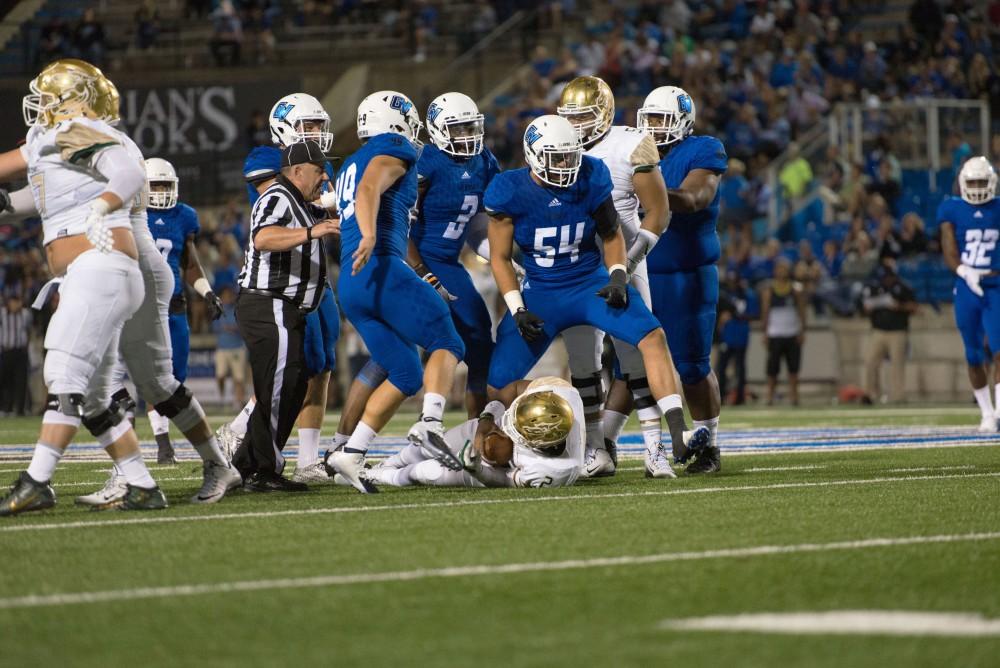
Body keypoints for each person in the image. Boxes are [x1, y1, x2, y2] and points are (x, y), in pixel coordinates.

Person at [53, 71, 240, 509]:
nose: (54, 112)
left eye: (62, 102)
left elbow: (111, 196)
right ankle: (192, 467)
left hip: (131, 269)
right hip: (118, 267)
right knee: (146, 382)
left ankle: (134, 475)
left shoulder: (111, 147)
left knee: (108, 380)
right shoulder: (77, 146)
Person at [484, 114, 708, 480]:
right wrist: (517, 308)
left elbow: (610, 234)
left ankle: (678, 432)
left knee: (652, 337)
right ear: (533, 156)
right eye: (557, 157)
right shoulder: (509, 190)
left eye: (571, 155)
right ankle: (521, 439)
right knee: (497, 384)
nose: (567, 164)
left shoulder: (591, 175)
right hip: (541, 293)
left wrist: (619, 276)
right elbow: (499, 257)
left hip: (589, 284)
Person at [0, 60, 162, 515]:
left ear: (75, 101)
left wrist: (101, 209)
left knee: (62, 375)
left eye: (49, 99)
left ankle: (36, 482)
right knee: (92, 396)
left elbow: (128, 175)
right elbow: (27, 185)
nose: (41, 108)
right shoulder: (57, 142)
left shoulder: (79, 130)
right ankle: (142, 485)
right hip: (91, 274)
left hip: (100, 267)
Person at [326, 90, 466, 494]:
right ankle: (431, 424)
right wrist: (370, 235)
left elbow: (361, 197)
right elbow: (370, 189)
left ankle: (351, 452)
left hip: (354, 285)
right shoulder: (395, 146)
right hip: (381, 265)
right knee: (447, 341)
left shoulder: (349, 162)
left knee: (405, 372)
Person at [217, 92, 348, 484]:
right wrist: (327, 205)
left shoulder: (313, 168)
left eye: (319, 127)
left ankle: (306, 460)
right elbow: (283, 204)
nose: (316, 134)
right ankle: (241, 432)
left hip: (313, 280)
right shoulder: (268, 162)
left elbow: (324, 202)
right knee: (288, 369)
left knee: (320, 365)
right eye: (308, 127)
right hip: (279, 283)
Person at [555, 75, 671, 478]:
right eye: (569, 118)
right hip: (576, 268)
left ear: (603, 113)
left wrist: (630, 265)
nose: (576, 126)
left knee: (635, 360)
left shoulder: (630, 143)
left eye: (584, 116)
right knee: (583, 362)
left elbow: (659, 211)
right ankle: (596, 449)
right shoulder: (555, 141)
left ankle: (655, 450)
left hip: (625, 262)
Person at [235, 139, 339, 491]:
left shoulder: (298, 202)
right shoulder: (278, 196)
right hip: (268, 303)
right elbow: (263, 238)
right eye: (318, 170)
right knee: (280, 385)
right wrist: (312, 231)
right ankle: (261, 469)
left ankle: (247, 463)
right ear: (296, 171)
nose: (323, 177)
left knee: (292, 385)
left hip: (285, 307)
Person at [637, 85, 728, 473]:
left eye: (662, 119)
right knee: (631, 368)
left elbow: (694, 199)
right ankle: (618, 444)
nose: (655, 127)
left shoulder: (704, 150)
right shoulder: (634, 149)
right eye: (650, 119)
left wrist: (647, 189)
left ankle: (709, 444)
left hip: (686, 272)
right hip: (640, 268)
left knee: (691, 365)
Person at [407, 92, 501, 417]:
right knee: (398, 351)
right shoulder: (425, 163)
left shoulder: (485, 162)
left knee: (479, 340)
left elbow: (476, 229)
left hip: (450, 263)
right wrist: (417, 268)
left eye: (470, 127)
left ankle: (477, 430)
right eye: (458, 128)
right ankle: (350, 439)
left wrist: (502, 258)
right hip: (415, 260)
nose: (466, 135)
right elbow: (399, 226)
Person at [143, 157, 224, 463]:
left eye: (166, 185)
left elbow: (189, 263)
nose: (162, 192)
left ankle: (182, 442)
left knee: (176, 377)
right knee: (154, 376)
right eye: (156, 185)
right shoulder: (132, 213)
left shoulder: (184, 216)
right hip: (144, 306)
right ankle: (163, 444)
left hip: (176, 304)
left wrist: (207, 292)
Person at [366, 377, 585, 489]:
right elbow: (517, 388)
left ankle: (378, 476)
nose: (507, 426)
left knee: (427, 472)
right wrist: (487, 419)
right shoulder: (558, 392)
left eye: (514, 427)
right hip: (511, 431)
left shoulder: (553, 471)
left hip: (508, 461)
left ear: (535, 443)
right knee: (433, 445)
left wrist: (478, 470)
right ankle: (389, 462)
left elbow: (504, 480)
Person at [938, 156, 1000, 432]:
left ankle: (999, 411)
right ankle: (986, 413)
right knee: (974, 354)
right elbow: (949, 247)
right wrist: (964, 271)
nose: (976, 187)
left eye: (981, 182)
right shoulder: (952, 209)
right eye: (972, 181)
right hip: (967, 285)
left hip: (996, 284)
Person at [862, 263, 918, 405]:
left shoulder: (903, 288)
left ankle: (898, 396)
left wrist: (899, 306)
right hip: (878, 331)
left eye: (888, 276)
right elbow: (864, 307)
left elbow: (915, 307)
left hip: (897, 331)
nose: (886, 280)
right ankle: (869, 395)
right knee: (870, 362)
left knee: (897, 365)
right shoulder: (874, 288)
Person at [760, 258, 807, 406]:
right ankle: (769, 396)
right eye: (780, 268)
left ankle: (794, 397)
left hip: (792, 333)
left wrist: (802, 331)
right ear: (775, 271)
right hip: (775, 334)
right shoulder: (769, 291)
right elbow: (765, 313)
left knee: (793, 369)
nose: (782, 272)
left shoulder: (796, 290)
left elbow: (801, 312)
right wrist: (765, 332)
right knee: (772, 369)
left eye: (785, 268)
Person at [716, 270, 757, 406]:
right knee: (721, 368)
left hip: (740, 335)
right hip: (727, 336)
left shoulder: (747, 294)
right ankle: (721, 396)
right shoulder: (724, 295)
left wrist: (733, 315)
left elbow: (753, 314)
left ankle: (739, 397)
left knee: (740, 368)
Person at [212, 285, 247, 408]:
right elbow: (214, 327)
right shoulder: (218, 310)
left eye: (230, 295)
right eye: (225, 295)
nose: (228, 298)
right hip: (222, 348)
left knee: (239, 378)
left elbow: (243, 327)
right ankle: (221, 397)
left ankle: (238, 401)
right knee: (220, 375)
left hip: (237, 347)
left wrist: (234, 328)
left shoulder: (237, 310)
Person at [0, 293, 32, 416]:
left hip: (20, 351)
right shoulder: (2, 313)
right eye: (12, 302)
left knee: (21, 381)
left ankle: (19, 409)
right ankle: (5, 408)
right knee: (5, 380)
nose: (15, 305)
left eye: (17, 302)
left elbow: (29, 330)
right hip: (6, 351)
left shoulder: (25, 314)